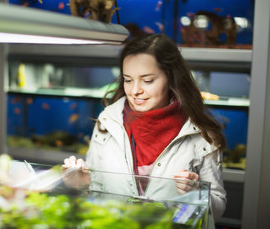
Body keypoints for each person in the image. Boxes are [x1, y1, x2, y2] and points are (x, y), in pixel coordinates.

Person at [62, 34, 226, 223]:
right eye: (128, 80)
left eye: (147, 80)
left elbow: (218, 208)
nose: (135, 90)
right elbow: (93, 197)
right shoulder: (108, 121)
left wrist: (197, 193)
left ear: (171, 78)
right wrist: (79, 184)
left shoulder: (200, 134)